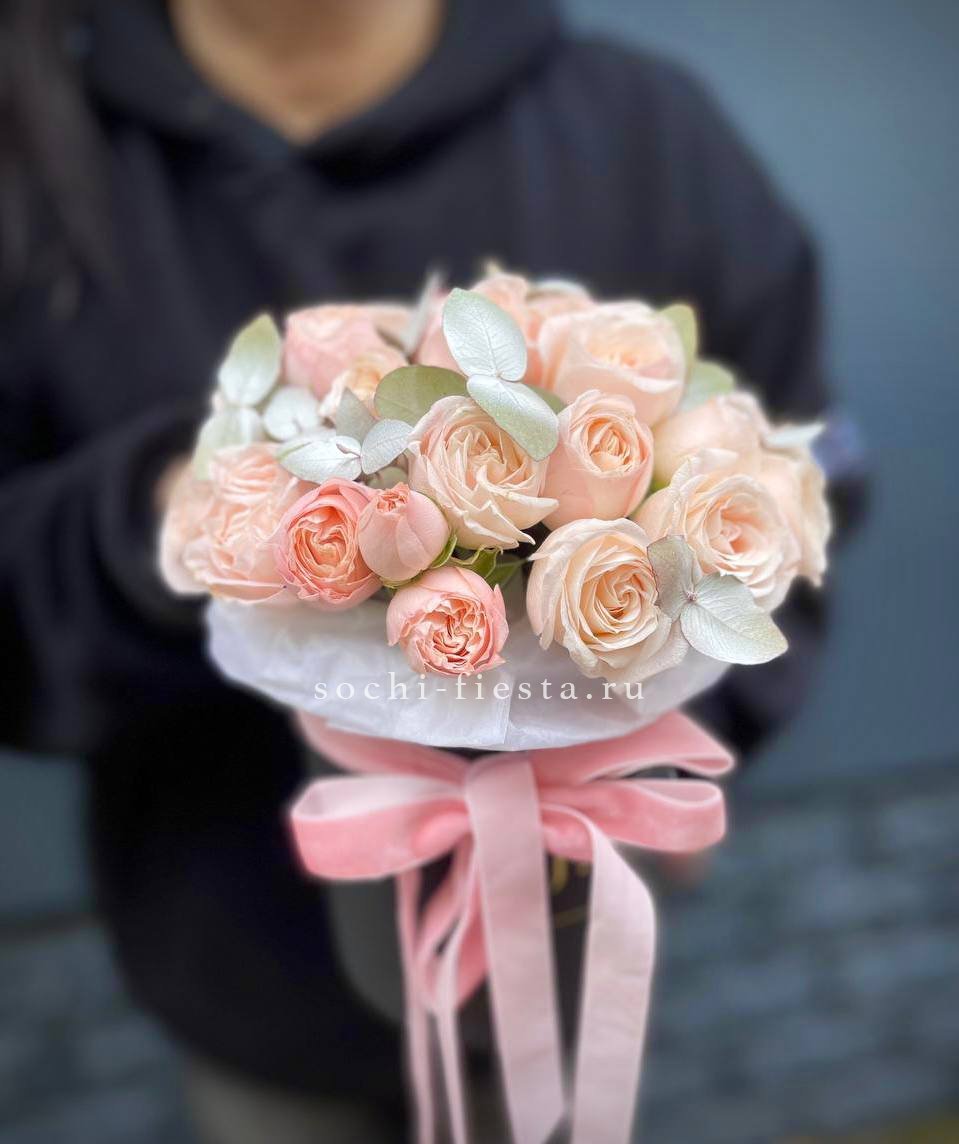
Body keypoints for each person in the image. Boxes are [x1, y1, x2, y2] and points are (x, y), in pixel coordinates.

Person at [0, 1, 851, 1140]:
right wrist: (150, 526)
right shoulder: (38, 155)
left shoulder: (641, 132)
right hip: (243, 984)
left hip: (573, 955)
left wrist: (682, 746)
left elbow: (804, 490)